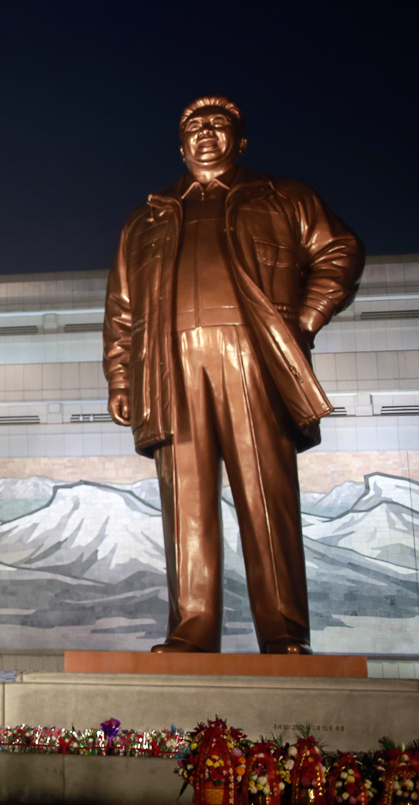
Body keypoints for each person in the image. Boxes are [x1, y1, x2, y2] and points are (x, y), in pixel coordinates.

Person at [103, 96, 364, 654]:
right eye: (193, 127)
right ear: (179, 144)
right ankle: (191, 627)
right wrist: (122, 380)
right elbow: (122, 310)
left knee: (266, 495)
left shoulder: (282, 197)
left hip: (252, 357)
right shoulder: (146, 217)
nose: (205, 134)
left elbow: (340, 252)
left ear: (240, 142)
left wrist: (302, 323)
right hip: (172, 368)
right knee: (186, 503)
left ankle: (283, 631)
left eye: (219, 126)